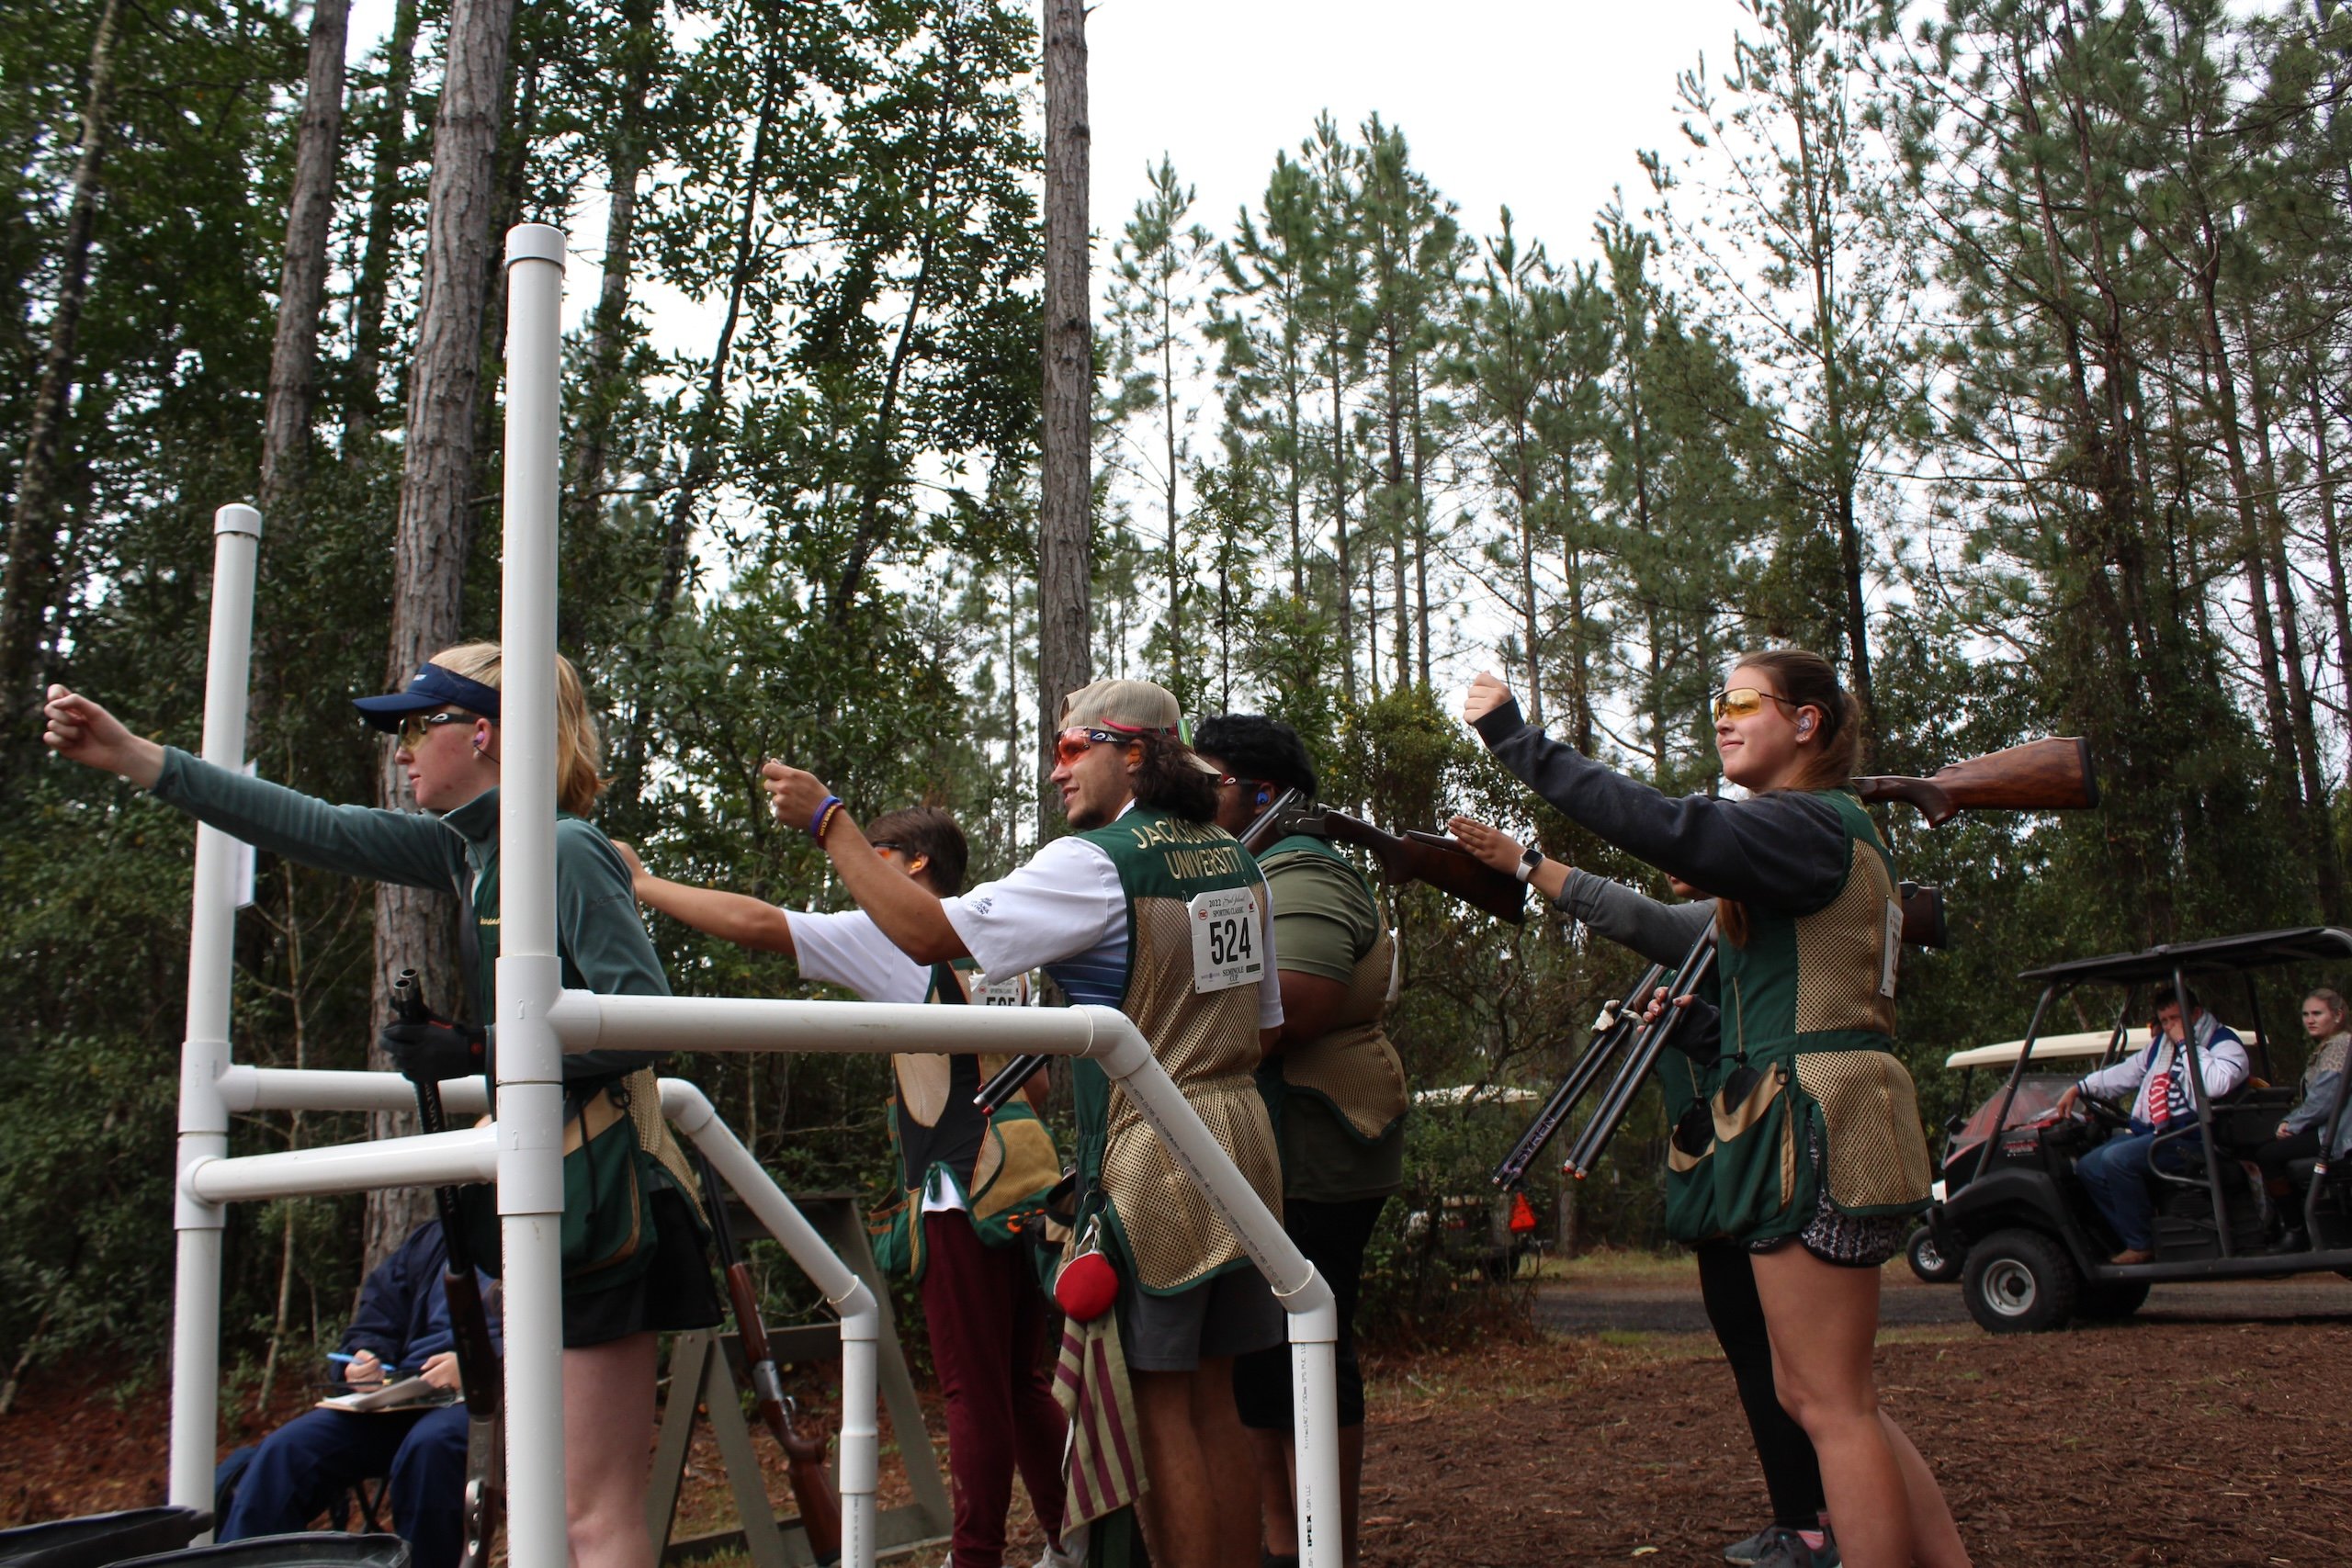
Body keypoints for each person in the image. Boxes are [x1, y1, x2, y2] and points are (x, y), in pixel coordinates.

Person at [43, 649, 722, 1568]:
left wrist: (477, 1052)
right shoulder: (474, 851)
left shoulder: (559, 847)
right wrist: (135, 757)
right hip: (554, 1196)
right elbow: (314, 828)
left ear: (480, 733)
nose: (401, 751)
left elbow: (643, 1021)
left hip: (605, 1204)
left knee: (587, 1512)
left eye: (415, 726)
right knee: (546, 1509)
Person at [757, 679, 1283, 1568]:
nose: (1056, 771)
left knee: (1158, 1408)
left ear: (1137, 754)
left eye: (1074, 749)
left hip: (1154, 1152)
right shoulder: (1236, 860)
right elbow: (1264, 1029)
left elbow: (925, 933)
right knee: (1219, 1398)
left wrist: (830, 823)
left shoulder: (1096, 862)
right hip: (1243, 1144)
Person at [1463, 650, 1966, 1568]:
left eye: (1741, 702)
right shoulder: (1822, 832)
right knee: (1828, 1394)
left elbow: (1669, 829)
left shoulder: (1809, 823)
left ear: (1806, 723)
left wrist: (1517, 742)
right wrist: (1703, 1024)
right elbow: (1751, 964)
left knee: (1831, 1406)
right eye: (1717, 704)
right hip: (1826, 1108)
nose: (1722, 719)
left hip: (1812, 1120)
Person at [612, 808, 1073, 1568]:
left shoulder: (899, 934)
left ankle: (976, 1556)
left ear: (916, 865)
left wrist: (641, 882)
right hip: (1026, 1181)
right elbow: (1043, 1081)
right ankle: (1072, 1540)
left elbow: (756, 922)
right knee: (1022, 1384)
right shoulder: (998, 942)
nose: (861, 870)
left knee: (972, 1392)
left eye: (877, 853)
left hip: (959, 1191)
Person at [1445, 816, 1833, 1568]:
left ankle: (1822, 1521)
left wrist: (1527, 864)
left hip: (1757, 1163)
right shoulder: (1723, 928)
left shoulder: (1739, 923)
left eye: (1695, 844)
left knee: (1790, 1361)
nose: (1673, 857)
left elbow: (1640, 919)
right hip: (1723, 1163)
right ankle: (1806, 1516)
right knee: (1761, 1353)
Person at [1192, 715, 1402, 1568]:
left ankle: (1324, 1545)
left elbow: (1297, 1006)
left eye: (1212, 783)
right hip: (1275, 1146)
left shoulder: (1303, 869)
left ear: (1262, 792)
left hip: (1317, 1147)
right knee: (1260, 1359)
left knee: (1310, 1349)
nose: (1198, 798)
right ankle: (1286, 1539)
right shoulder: (1256, 868)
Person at [218, 1220, 500, 1568]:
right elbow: (377, 1318)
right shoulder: (437, 1236)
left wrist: (486, 1362)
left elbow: (573, 1330)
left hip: (500, 1398)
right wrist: (363, 1359)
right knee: (287, 1450)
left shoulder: (553, 1224)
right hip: (408, 1393)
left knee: (430, 1449)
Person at [2055, 989, 2250, 1264]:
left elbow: (2213, 1085)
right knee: (2089, 1166)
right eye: (2165, 1020)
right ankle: (2131, 1234)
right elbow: (2126, 1072)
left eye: (2176, 1018)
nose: (2170, 1026)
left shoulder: (2223, 1042)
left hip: (2196, 1136)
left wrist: (2188, 1045)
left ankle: (2141, 1243)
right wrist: (2080, 1088)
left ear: (2195, 1014)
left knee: (2117, 1159)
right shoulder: (2161, 1047)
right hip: (2160, 1133)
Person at [2251, 988, 2350, 1252]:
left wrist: (2291, 1125)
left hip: (2339, 1134)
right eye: (2306, 1014)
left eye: (2317, 1013)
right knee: (2271, 1148)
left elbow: (2324, 1100)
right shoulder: (2330, 1047)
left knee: (2268, 1155)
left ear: (2338, 1014)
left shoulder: (2341, 1046)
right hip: (2329, 1129)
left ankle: (2296, 1230)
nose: (2310, 1019)